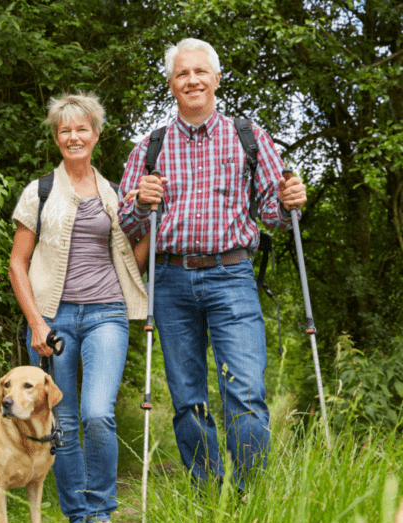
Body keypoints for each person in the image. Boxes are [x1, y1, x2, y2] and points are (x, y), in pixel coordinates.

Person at [118, 38, 307, 493]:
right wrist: (141, 203)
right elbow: (124, 221)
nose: (192, 80)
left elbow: (275, 215)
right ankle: (206, 493)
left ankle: (248, 498)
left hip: (232, 276)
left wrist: (289, 202)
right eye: (182, 74)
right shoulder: (150, 146)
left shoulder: (249, 137)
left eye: (200, 72)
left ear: (216, 79)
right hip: (170, 278)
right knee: (187, 400)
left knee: (244, 393)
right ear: (171, 85)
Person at [9, 92, 147, 523]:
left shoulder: (115, 194)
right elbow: (17, 263)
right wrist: (35, 323)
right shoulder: (39, 191)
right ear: (56, 137)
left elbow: (131, 259)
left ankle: (103, 516)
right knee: (61, 421)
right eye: (64, 130)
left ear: (96, 134)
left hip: (107, 311)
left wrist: (155, 229)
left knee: (97, 413)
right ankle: (77, 520)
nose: (73, 136)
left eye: (81, 128)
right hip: (53, 317)